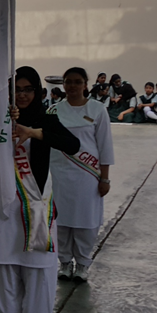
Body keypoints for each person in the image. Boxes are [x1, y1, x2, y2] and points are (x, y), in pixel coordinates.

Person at [0, 66, 81, 313]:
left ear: (38, 92)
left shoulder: (47, 119)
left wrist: (32, 132)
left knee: (38, 274)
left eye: (28, 89)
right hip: (4, 210)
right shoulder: (0, 118)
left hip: (36, 208)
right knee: (5, 271)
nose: (22, 95)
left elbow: (72, 144)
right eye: (16, 90)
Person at [48, 67, 113, 283]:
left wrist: (104, 178)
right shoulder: (53, 111)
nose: (72, 86)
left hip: (88, 175)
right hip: (59, 174)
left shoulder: (97, 109)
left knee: (86, 221)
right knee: (62, 221)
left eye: (77, 82)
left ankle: (83, 264)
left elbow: (105, 145)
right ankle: (65, 263)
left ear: (86, 84)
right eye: (68, 82)